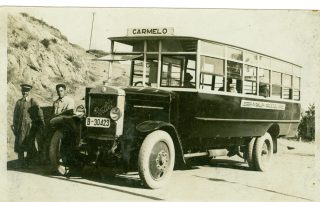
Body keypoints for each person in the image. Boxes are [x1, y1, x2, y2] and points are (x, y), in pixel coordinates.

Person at [12, 84, 45, 168]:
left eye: (26, 91)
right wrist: (15, 127)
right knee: (20, 145)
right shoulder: (18, 102)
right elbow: (15, 116)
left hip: (29, 127)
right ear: (21, 91)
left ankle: (30, 164)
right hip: (20, 128)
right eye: (23, 91)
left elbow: (39, 111)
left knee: (30, 145)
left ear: (29, 92)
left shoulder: (32, 101)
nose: (24, 93)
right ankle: (21, 163)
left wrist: (41, 122)